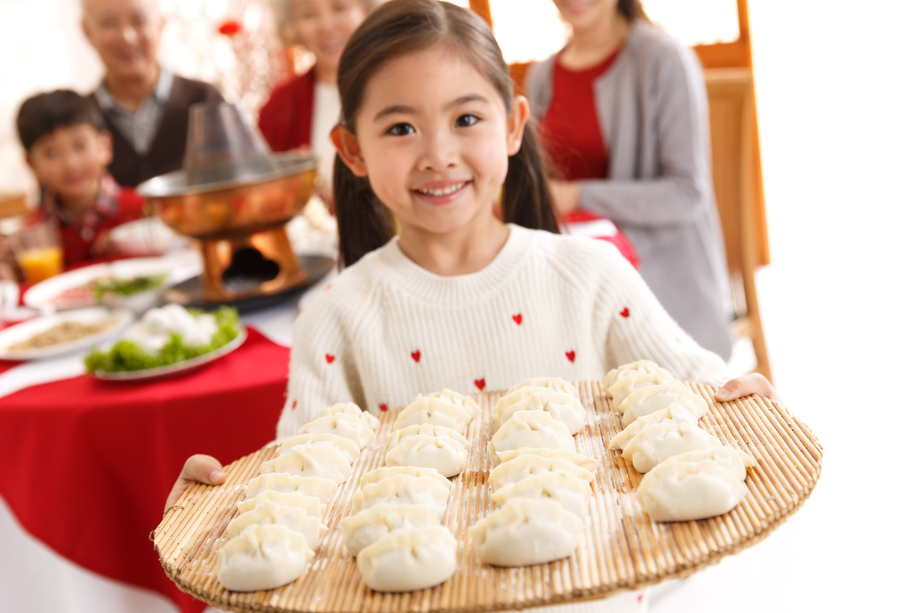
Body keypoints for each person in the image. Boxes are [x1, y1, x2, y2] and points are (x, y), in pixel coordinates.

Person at [165, 0, 782, 607]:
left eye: (466, 119)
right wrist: (220, 513)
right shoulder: (336, 317)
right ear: (351, 151)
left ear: (513, 126)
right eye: (400, 128)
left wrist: (744, 399)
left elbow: (703, 392)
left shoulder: (588, 274)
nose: (439, 154)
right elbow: (299, 494)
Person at [527, 0, 734, 360]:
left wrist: (577, 196)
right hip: (573, 288)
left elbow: (687, 194)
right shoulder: (541, 76)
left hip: (656, 296)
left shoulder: (663, 59)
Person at [82, 0, 224, 187]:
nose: (127, 36)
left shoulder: (205, 100)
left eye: (139, 20)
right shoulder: (78, 119)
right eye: (109, 23)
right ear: (87, 31)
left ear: (161, 22)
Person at [258, 0, 379, 203]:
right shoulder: (278, 106)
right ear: (292, 26)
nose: (326, 25)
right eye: (308, 14)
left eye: (340, 7)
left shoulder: (406, 86)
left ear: (368, 10)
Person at [16, 90, 145, 267]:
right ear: (32, 166)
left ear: (104, 147)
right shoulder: (32, 235)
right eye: (52, 153)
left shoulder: (144, 211)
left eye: (80, 146)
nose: (71, 164)